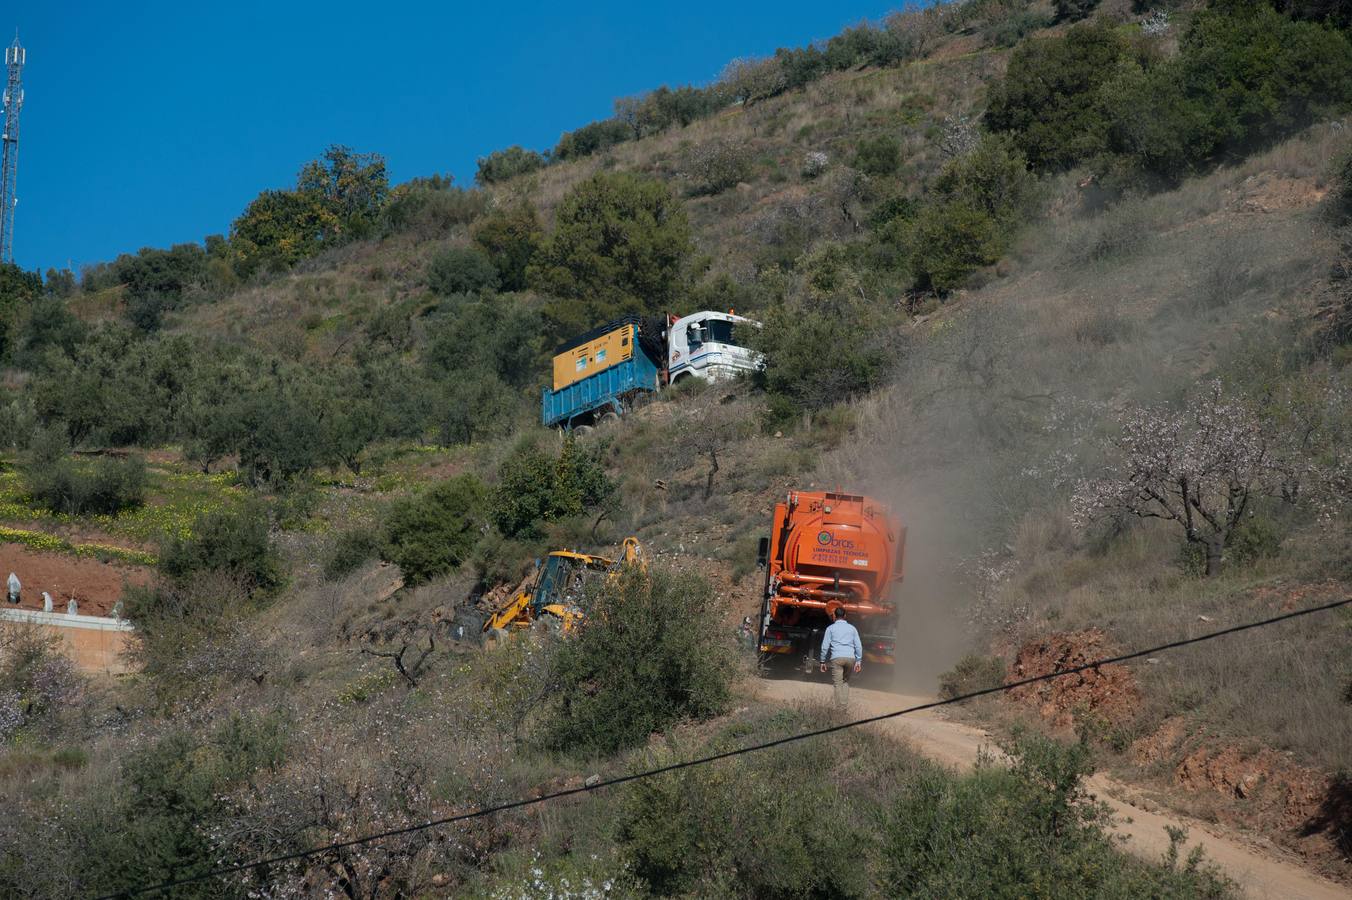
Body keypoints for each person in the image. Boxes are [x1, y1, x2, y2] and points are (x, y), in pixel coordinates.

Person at [818, 608, 862, 710]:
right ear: (845, 616)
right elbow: (858, 646)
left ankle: (839, 708)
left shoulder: (830, 628)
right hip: (850, 658)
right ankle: (844, 706)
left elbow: (825, 646)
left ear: (834, 616)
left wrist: (822, 661)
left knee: (838, 684)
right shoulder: (852, 628)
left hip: (837, 658)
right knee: (845, 682)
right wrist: (858, 661)